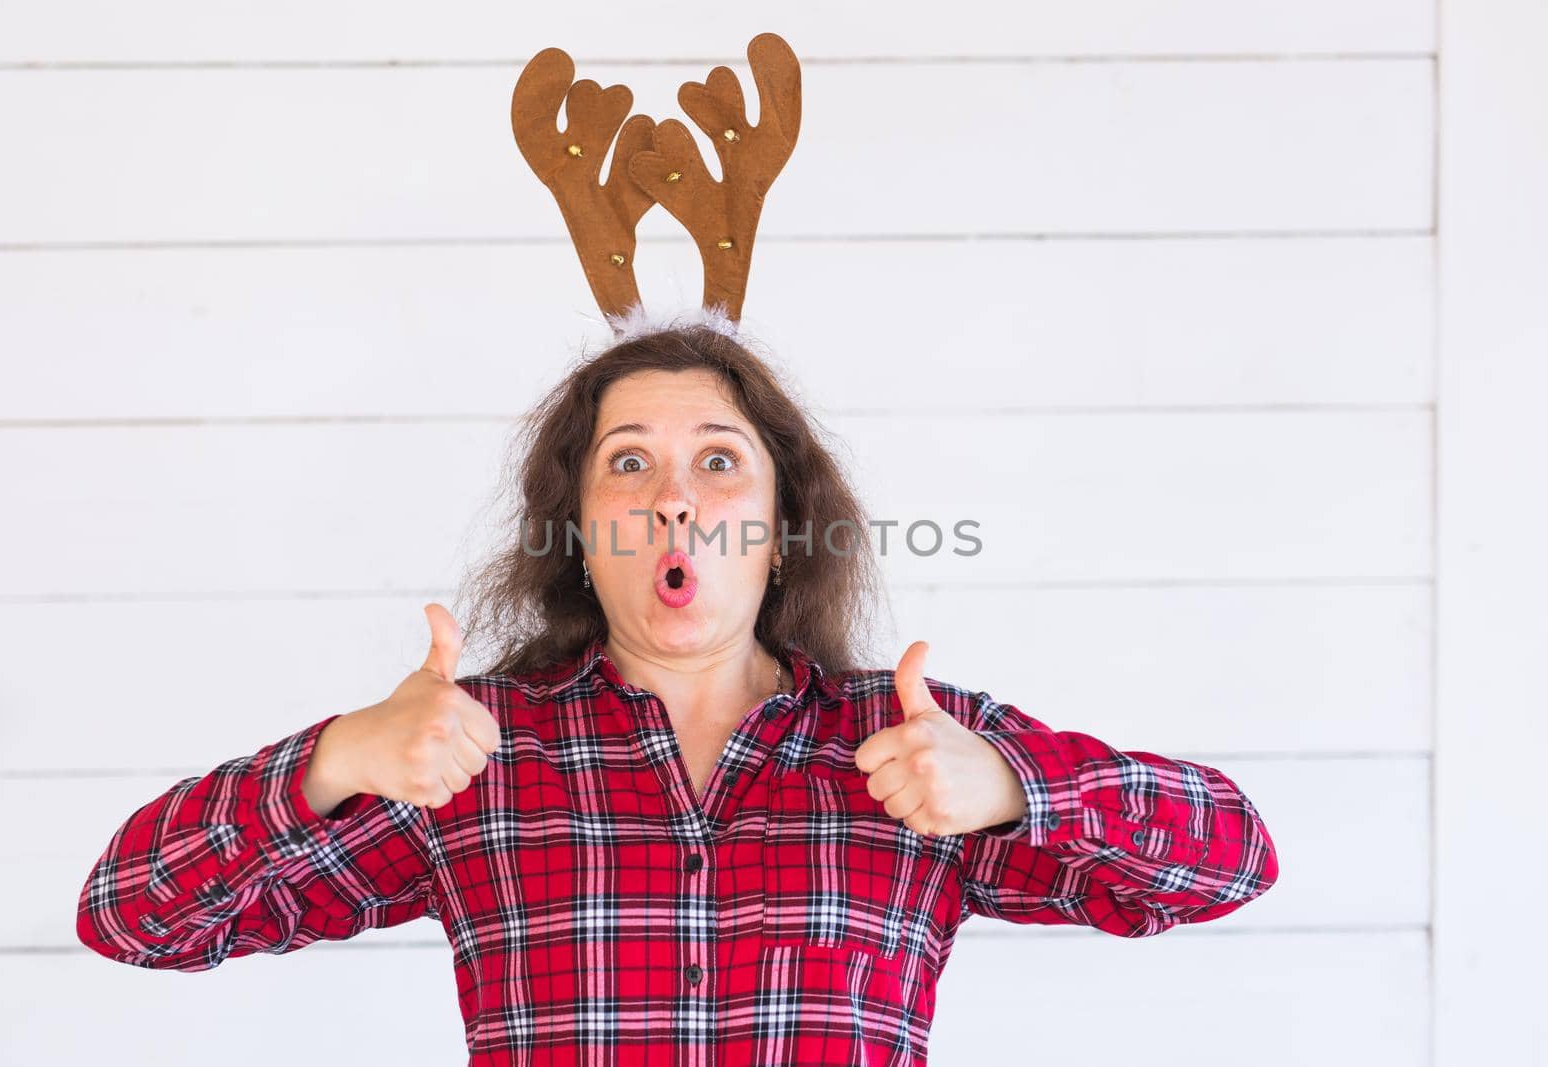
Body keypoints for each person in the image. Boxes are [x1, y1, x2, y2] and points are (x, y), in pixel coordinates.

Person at [75, 317, 1280, 1066]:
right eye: (628, 462)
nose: (673, 498)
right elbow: (133, 915)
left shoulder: (914, 747)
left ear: (778, 521)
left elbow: (1229, 859)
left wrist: (1016, 786)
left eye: (717, 459)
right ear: (581, 528)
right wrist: (335, 754)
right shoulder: (466, 754)